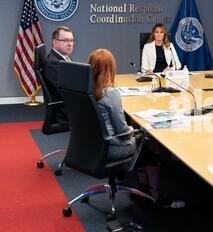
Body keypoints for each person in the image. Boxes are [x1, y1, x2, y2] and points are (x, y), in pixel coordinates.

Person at [88, 48, 162, 204]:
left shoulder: (88, 89)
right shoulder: (110, 93)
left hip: (93, 145)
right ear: (110, 69)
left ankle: (142, 185)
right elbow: (122, 130)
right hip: (113, 147)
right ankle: (153, 193)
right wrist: (134, 131)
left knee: (138, 131)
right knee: (151, 141)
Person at [44, 26, 74, 101]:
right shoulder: (53, 63)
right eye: (65, 40)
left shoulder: (64, 58)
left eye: (71, 40)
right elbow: (63, 90)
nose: (70, 44)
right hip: (66, 105)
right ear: (55, 42)